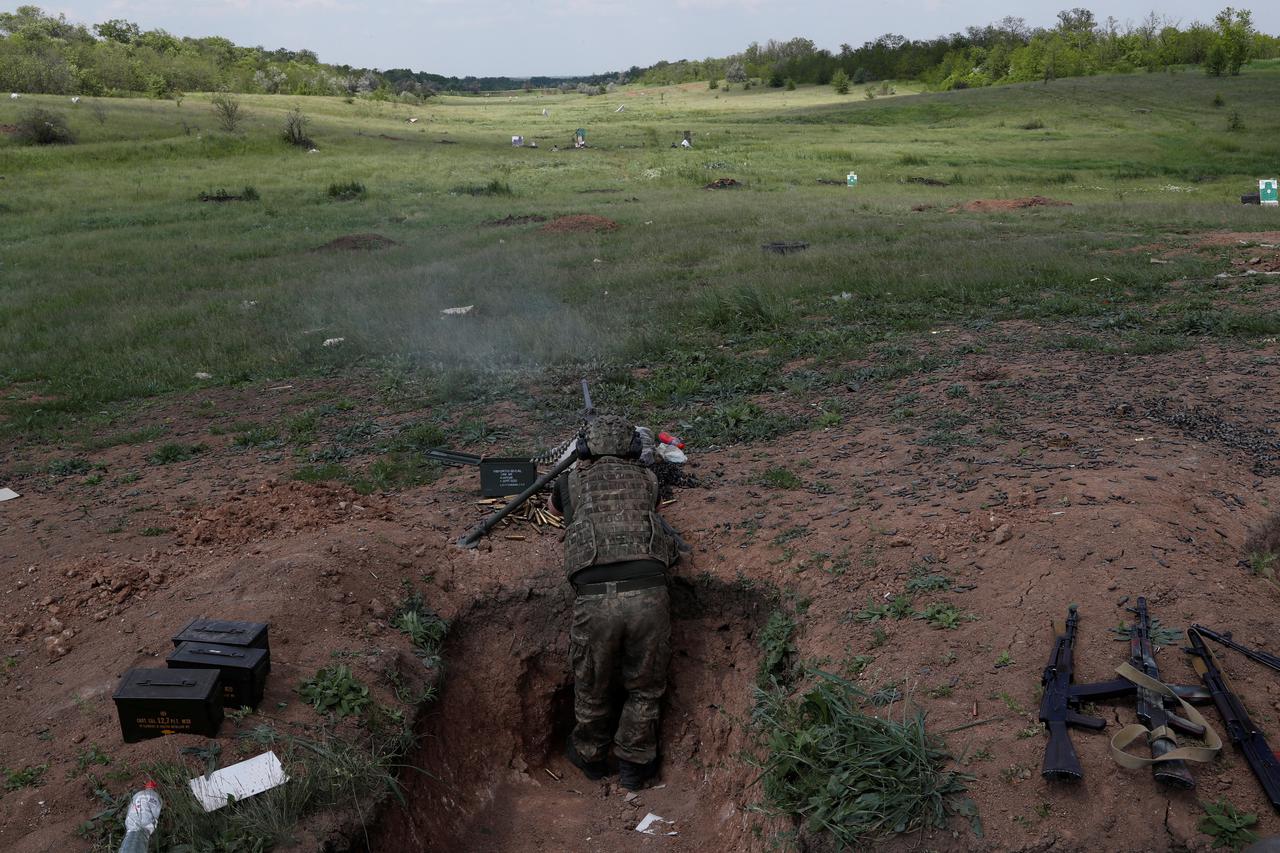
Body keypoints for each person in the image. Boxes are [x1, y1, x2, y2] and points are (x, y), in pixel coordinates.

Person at [548, 415, 681, 790]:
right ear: (634, 448)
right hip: (650, 595)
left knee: (593, 683)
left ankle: (590, 756)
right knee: (644, 686)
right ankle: (634, 766)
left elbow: (558, 513)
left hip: (595, 599)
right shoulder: (650, 479)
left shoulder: (569, 480)